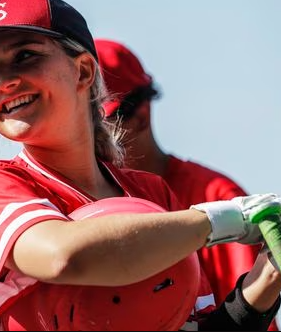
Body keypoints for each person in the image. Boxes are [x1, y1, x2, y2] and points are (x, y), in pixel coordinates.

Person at [0, 0, 281, 331]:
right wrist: (217, 221)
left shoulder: (151, 194)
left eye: (25, 57)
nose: (3, 82)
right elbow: (64, 255)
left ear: (82, 71)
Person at [94, 38, 266, 310]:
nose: (89, 139)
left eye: (101, 125)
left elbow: (254, 314)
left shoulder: (215, 197)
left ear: (140, 117)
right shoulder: (72, 201)